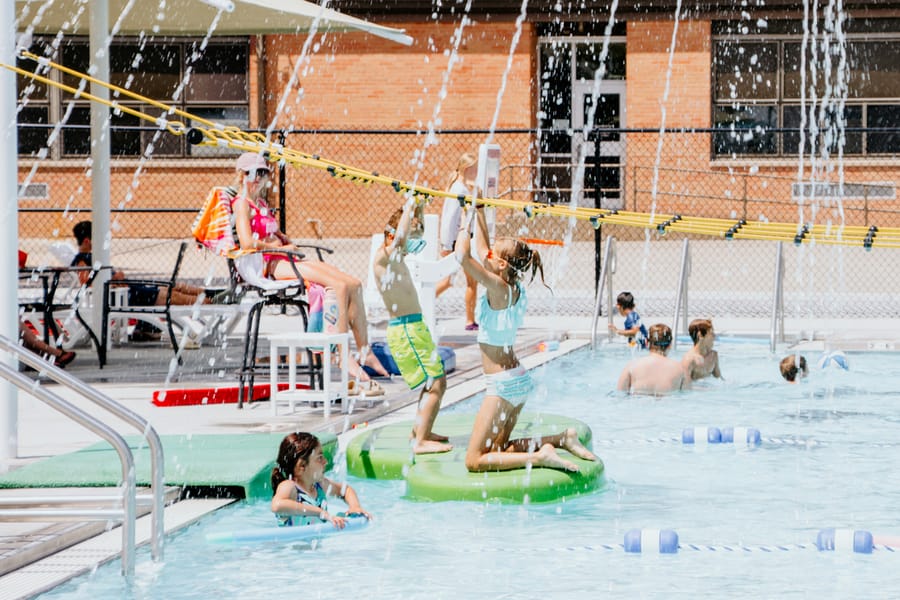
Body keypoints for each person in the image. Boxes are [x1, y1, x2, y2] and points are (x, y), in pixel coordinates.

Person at [455, 205, 597, 473]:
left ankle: (539, 457)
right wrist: (479, 210)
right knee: (499, 449)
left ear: (500, 264)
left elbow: (462, 256)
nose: (487, 255)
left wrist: (464, 224)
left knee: (474, 460)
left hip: (502, 384)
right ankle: (561, 439)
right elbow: (483, 249)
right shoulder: (513, 286)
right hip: (517, 378)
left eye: (492, 256)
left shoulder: (498, 288)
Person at [230, 152, 388, 383]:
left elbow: (275, 234)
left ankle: (365, 352)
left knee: (354, 284)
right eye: (252, 173)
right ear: (241, 175)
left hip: (283, 258)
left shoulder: (261, 203)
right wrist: (277, 247)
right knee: (338, 286)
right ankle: (341, 355)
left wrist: (284, 241)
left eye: (262, 173)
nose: (258, 178)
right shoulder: (242, 204)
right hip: (269, 265)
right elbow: (246, 242)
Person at [373, 200, 452, 454]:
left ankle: (421, 431)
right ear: (392, 234)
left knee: (437, 381)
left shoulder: (398, 258)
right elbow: (400, 237)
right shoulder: (385, 257)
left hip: (414, 328)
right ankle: (419, 442)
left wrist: (417, 206)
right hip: (406, 330)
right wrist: (408, 205)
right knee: (436, 383)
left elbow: (408, 233)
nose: (412, 244)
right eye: (409, 237)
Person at [71, 221, 210, 341]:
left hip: (129, 292)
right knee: (173, 296)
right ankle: (212, 301)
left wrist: (115, 278)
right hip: (126, 296)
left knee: (176, 288)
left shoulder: (94, 256)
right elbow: (87, 284)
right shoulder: (82, 260)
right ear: (87, 241)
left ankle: (211, 294)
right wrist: (114, 280)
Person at [271, 432, 370, 528]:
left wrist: (355, 507)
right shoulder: (290, 487)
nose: (325, 462)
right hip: (289, 545)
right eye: (320, 458)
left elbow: (345, 490)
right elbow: (277, 505)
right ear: (302, 466)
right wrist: (321, 512)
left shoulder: (319, 485)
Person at [436, 152, 479, 331]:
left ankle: (470, 320)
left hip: (457, 241)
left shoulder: (459, 186)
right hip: (456, 242)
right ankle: (422, 306)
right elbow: (450, 219)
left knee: (470, 280)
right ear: (468, 169)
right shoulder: (459, 190)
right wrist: (447, 245)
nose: (477, 172)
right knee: (449, 281)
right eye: (475, 168)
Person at [617, 323, 690, 395]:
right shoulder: (681, 370)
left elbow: (620, 395)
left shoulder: (632, 366)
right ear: (670, 345)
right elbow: (686, 398)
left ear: (646, 343)